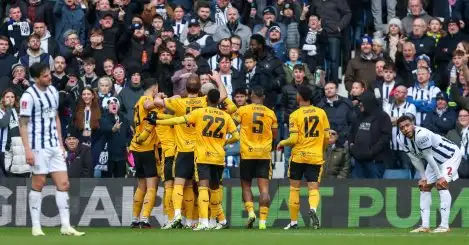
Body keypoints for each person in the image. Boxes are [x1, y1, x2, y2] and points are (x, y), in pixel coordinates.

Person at [153, 73, 235, 229]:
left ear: (185, 88)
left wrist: (166, 97)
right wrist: (217, 80)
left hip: (183, 150)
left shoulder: (179, 103)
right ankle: (194, 220)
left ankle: (177, 215)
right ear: (199, 89)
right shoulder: (205, 101)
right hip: (200, 150)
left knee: (180, 184)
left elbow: (157, 102)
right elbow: (223, 96)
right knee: (200, 187)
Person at [18, 63, 84, 236]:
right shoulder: (28, 96)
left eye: (49, 74)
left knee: (64, 183)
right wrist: (27, 150)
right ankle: (36, 226)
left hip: (54, 144)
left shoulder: (54, 92)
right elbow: (23, 124)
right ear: (36, 78)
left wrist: (61, 143)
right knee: (38, 183)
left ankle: (65, 225)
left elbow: (56, 117)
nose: (49, 77)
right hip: (38, 146)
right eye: (45, 76)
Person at [397, 114, 461, 233]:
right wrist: (423, 177)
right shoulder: (400, 139)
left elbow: (428, 156)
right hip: (434, 161)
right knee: (424, 186)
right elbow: (414, 159)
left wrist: (440, 177)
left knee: (441, 184)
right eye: (402, 127)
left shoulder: (422, 135)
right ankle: (425, 226)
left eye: (407, 125)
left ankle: (444, 226)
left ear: (413, 124)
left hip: (449, 156)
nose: (405, 129)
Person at [278, 85, 330, 230]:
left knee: (294, 188)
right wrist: (321, 149)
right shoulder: (321, 113)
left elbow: (293, 139)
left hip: (299, 157)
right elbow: (326, 136)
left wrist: (282, 142)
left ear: (299, 97)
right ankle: (313, 208)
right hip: (315, 156)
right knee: (313, 188)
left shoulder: (295, 115)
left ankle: (294, 222)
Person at [232, 87, 277, 230]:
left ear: (251, 96)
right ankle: (263, 222)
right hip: (264, 154)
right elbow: (275, 134)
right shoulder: (271, 113)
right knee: (264, 190)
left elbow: (232, 125)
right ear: (263, 97)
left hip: (247, 153)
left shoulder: (243, 110)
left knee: (246, 186)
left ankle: (251, 213)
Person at [129, 84, 162, 229]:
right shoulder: (147, 100)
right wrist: (161, 99)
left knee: (141, 185)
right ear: (154, 89)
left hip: (136, 148)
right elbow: (151, 118)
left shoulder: (138, 102)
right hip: (147, 147)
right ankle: (144, 219)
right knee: (151, 185)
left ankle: (135, 219)